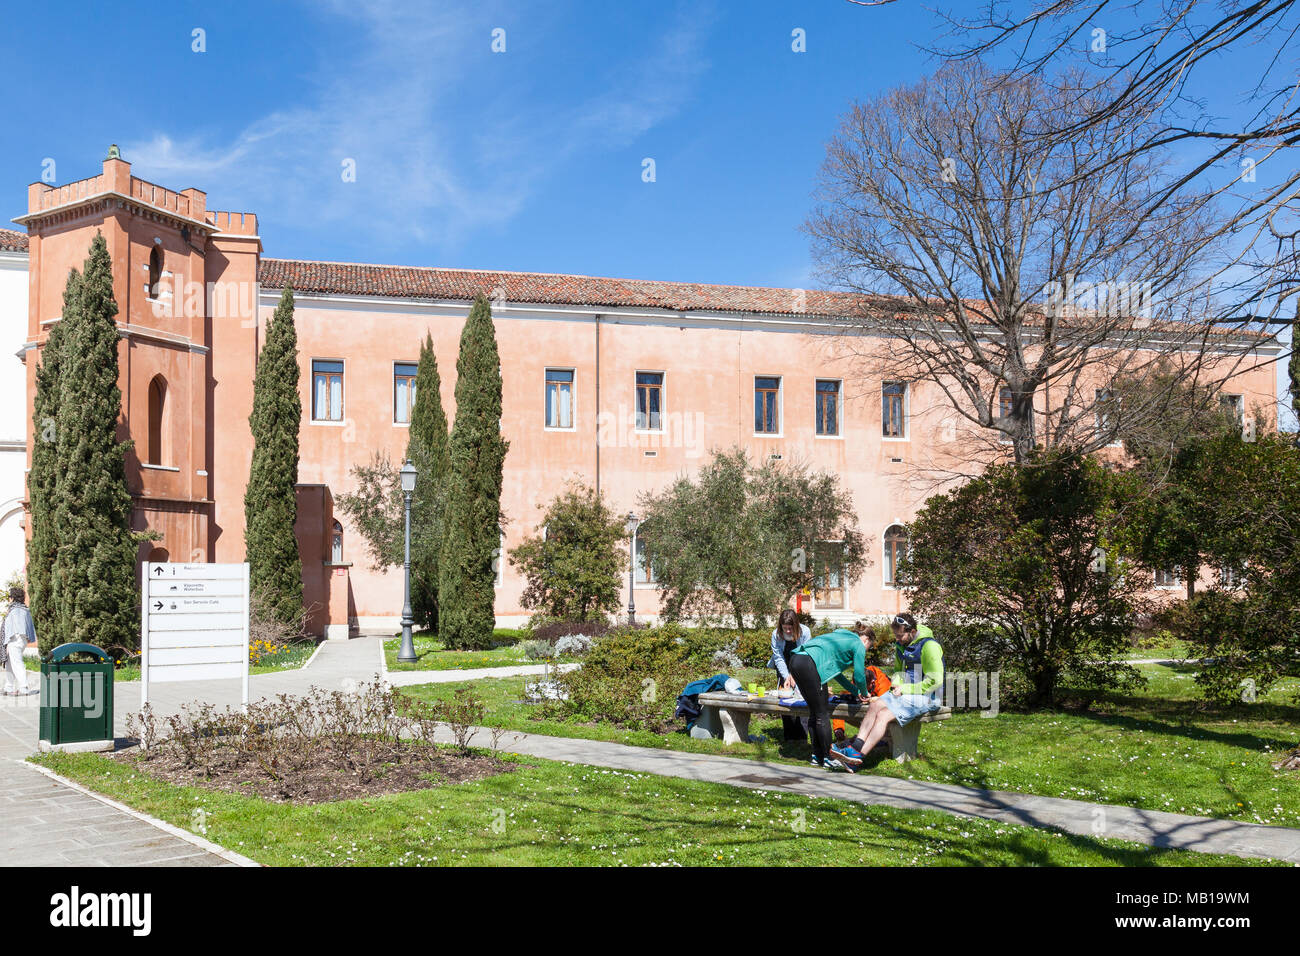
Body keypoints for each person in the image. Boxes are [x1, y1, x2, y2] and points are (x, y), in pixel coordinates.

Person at [830, 612, 943, 772]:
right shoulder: (901, 646)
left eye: (900, 636)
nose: (897, 639)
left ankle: (856, 757)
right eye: (895, 635)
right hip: (905, 693)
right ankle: (855, 747)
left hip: (927, 696)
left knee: (883, 715)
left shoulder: (929, 646)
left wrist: (905, 688)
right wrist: (896, 684)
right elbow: (898, 671)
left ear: (911, 631)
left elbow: (936, 680)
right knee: (875, 705)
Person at [787, 623, 872, 768]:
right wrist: (864, 692)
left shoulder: (841, 636)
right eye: (869, 646)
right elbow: (859, 676)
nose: (866, 650)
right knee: (822, 714)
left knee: (815, 712)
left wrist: (855, 691)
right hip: (810, 664)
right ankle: (829, 757)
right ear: (867, 640)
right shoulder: (858, 644)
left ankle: (817, 755)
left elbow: (836, 674)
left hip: (796, 660)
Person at [769, 609, 811, 742]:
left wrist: (795, 674)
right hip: (783, 665)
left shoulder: (805, 632)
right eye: (785, 628)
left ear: (796, 626)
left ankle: (802, 736)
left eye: (790, 628)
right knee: (785, 698)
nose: (787, 631)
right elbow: (778, 657)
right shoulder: (776, 634)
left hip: (802, 663)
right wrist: (787, 676)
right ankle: (789, 736)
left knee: (802, 696)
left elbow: (804, 654)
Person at [2, 586, 37, 696]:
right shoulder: (23, 608)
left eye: (10, 596)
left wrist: (9, 639)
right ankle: (8, 686)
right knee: (9, 663)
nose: (9, 598)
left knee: (17, 662)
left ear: (13, 597)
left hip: (16, 639)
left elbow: (16, 626)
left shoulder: (16, 610)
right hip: (19, 639)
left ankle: (23, 687)